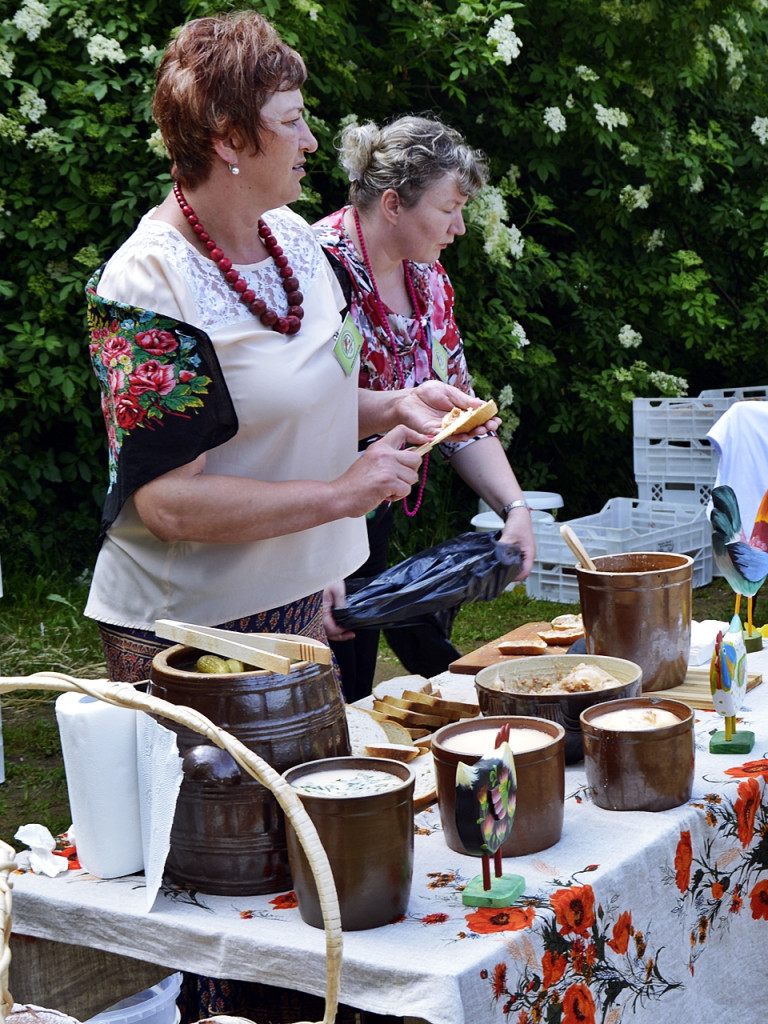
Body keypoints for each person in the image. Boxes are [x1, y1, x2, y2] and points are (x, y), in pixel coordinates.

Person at [83, 12, 490, 1022]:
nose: (314, 141)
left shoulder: (296, 255)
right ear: (229, 139)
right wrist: (345, 493)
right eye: (293, 121)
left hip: (298, 609)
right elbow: (168, 497)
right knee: (228, 916)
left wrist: (392, 405)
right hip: (190, 635)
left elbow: (300, 399)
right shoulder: (148, 282)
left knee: (311, 889)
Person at [314, 115, 536, 701]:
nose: (460, 227)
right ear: (392, 204)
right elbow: (300, 417)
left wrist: (514, 506)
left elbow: (460, 415)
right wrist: (313, 561)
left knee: (360, 689)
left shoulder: (429, 280)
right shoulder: (316, 271)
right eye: (449, 208)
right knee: (333, 697)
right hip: (305, 515)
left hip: (371, 512)